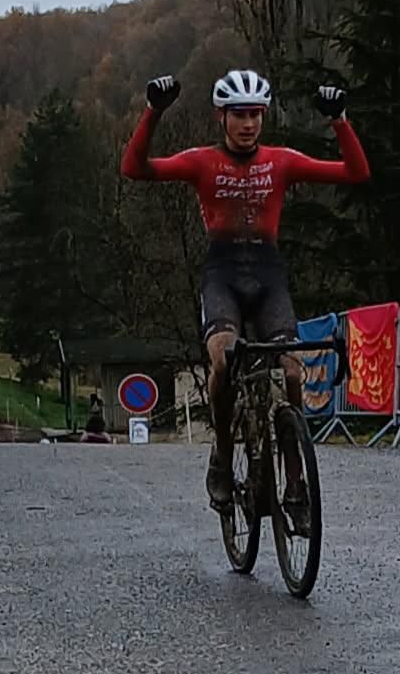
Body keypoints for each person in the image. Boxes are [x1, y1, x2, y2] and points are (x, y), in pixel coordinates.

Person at [121, 70, 370, 521]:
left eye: (255, 113)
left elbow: (356, 172)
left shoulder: (283, 161)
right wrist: (153, 112)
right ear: (222, 116)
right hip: (223, 275)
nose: (248, 123)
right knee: (223, 359)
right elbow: (134, 169)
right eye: (239, 114)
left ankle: (294, 482)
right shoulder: (202, 162)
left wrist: (340, 121)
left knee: (292, 372)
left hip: (269, 275)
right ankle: (221, 451)